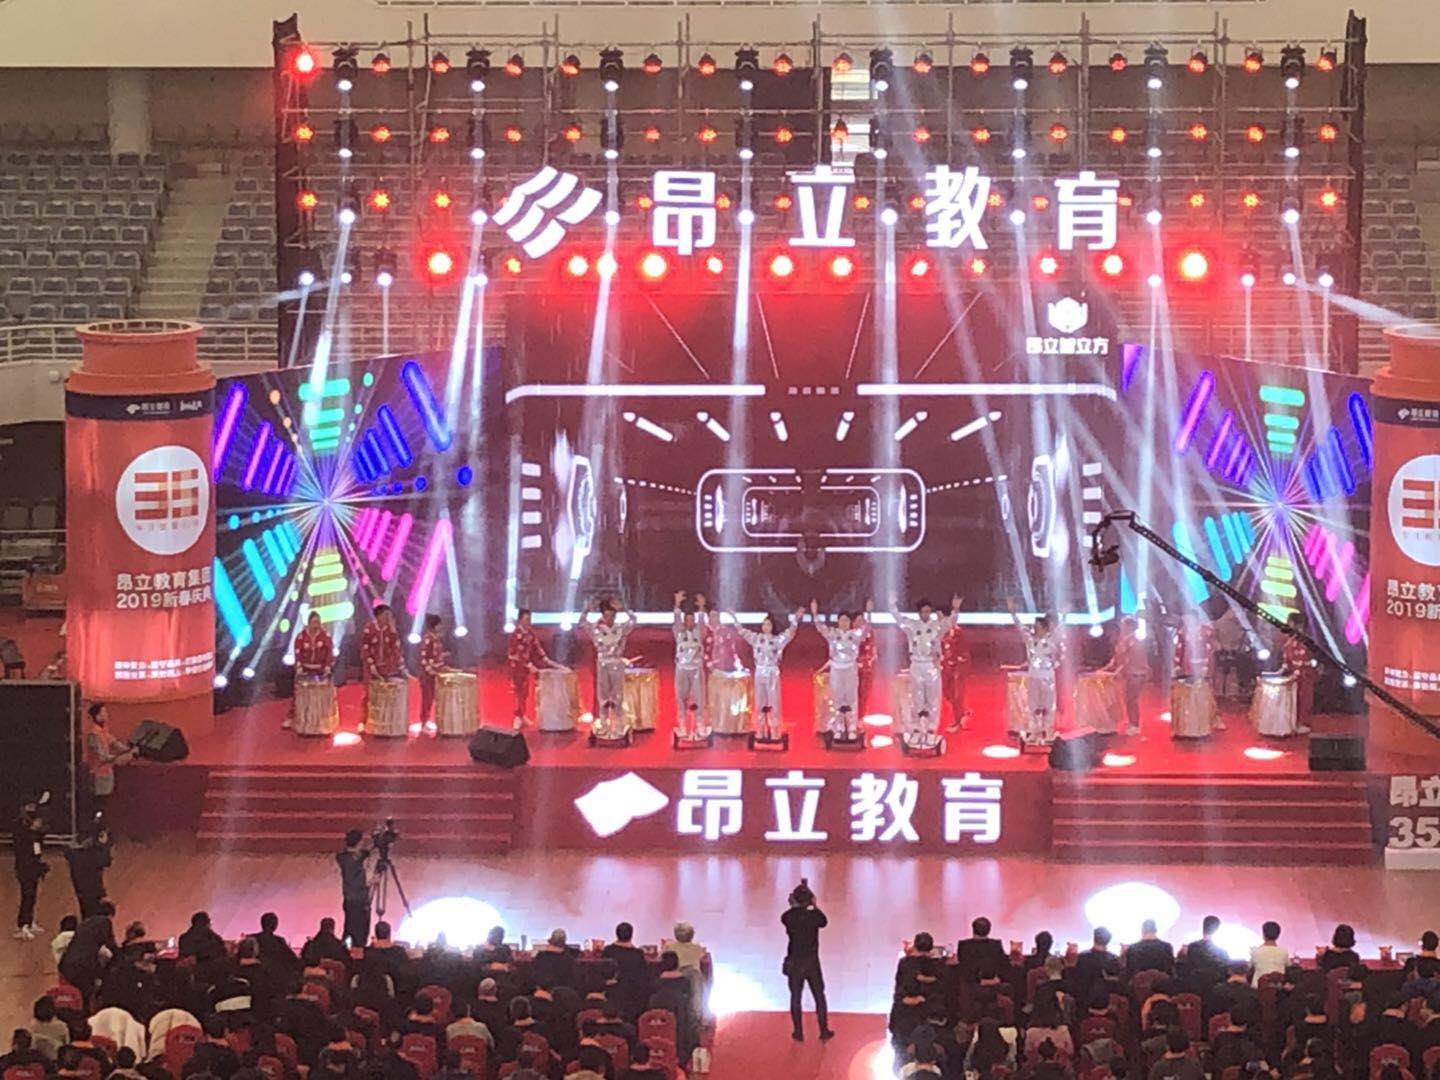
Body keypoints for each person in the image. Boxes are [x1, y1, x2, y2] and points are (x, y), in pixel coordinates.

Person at [890, 595, 961, 745]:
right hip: (916, 665)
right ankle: (917, 729)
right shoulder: (912, 625)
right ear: (918, 612)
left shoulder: (937, 626)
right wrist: (892, 605)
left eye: (928, 611)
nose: (925, 614)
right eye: (923, 611)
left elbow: (951, 622)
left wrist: (955, 609)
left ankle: (931, 729)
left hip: (931, 666)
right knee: (917, 698)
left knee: (933, 699)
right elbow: (898, 619)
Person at [731, 608, 802, 739]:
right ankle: (760, 729)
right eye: (764, 624)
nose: (766, 627)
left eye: (768, 624)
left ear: (772, 626)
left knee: (774, 701)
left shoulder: (778, 640)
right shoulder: (756, 639)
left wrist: (796, 619)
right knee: (760, 701)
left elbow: (790, 633)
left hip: (772, 671)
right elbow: (743, 632)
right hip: (760, 671)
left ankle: (775, 730)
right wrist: (734, 618)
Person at [811, 599, 872, 739]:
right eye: (842, 620)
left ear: (850, 623)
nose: (844, 623)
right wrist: (815, 614)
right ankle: (838, 727)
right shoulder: (833, 634)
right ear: (838, 622)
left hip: (850, 668)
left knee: (851, 698)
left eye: (846, 620)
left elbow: (867, 628)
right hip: (836, 669)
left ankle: (851, 728)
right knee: (837, 697)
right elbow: (820, 627)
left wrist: (869, 612)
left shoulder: (855, 635)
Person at [781, 879, 833, 1042]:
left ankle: (798, 1032)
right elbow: (823, 921)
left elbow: (787, 915)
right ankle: (823, 1030)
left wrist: (796, 905)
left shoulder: (788, 917)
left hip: (795, 961)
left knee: (795, 997)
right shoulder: (813, 915)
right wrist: (813, 905)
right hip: (812, 962)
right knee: (819, 996)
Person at [1008, 601, 1061, 743]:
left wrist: (1065, 615)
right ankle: (1034, 732)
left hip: (1048, 678)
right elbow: (1020, 627)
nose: (1035, 628)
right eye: (1034, 626)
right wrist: (1013, 612)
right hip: (1033, 677)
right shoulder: (1030, 640)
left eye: (1038, 626)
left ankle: (1048, 732)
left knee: (1049, 706)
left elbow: (1060, 629)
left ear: (1045, 628)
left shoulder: (1051, 640)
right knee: (1033, 706)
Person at [580, 598, 635, 720]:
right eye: (607, 616)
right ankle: (604, 723)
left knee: (618, 696)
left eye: (612, 616)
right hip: (603, 663)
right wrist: (586, 610)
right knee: (603, 697)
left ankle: (619, 723)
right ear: (603, 616)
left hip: (617, 663)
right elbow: (582, 622)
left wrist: (624, 609)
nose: (610, 619)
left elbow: (633, 620)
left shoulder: (620, 628)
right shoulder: (596, 629)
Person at [85, 704, 136, 818]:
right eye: (103, 712)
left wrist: (131, 750)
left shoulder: (103, 732)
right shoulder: (93, 734)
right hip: (97, 775)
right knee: (98, 805)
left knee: (105, 804)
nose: (106, 715)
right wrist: (121, 757)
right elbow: (102, 757)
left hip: (106, 773)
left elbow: (115, 743)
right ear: (97, 716)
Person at [359, 604, 405, 725]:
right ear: (378, 616)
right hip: (371, 667)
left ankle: (383, 722)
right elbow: (365, 648)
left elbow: (396, 648)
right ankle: (363, 721)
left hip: (387, 667)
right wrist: (371, 664)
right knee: (369, 694)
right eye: (386, 615)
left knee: (387, 693)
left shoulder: (391, 630)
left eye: (389, 615)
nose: (388, 618)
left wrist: (400, 664)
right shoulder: (369, 628)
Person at [289, 612, 335, 730]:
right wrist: (299, 667)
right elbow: (297, 654)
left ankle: (322, 720)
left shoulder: (326, 636)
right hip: (306, 670)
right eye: (314, 622)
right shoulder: (301, 637)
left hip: (320, 670)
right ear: (309, 623)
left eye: (318, 622)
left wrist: (327, 667)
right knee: (299, 691)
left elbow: (329, 654)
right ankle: (295, 717)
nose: (316, 625)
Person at [672, 591, 708, 738]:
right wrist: (677, 604)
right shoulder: (679, 633)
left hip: (696, 669)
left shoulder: (699, 632)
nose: (690, 623)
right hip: (682, 669)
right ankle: (682, 725)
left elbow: (702, 622)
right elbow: (676, 620)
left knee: (699, 698)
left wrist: (702, 607)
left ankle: (700, 724)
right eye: (687, 620)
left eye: (692, 620)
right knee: (681, 698)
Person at [506, 610, 553, 726]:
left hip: (526, 668)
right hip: (516, 667)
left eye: (529, 619)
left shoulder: (530, 634)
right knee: (518, 691)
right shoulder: (515, 635)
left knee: (525, 692)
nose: (528, 622)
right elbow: (516, 654)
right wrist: (529, 665)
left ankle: (522, 715)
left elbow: (537, 647)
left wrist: (544, 658)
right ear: (520, 620)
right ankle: (517, 717)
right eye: (526, 619)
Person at [1107, 616, 1150, 736]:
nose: (1121, 628)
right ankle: (1132, 722)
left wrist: (1117, 671)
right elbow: (1117, 658)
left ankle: (1135, 725)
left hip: (1136, 673)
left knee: (1132, 700)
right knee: (1128, 699)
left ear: (1129, 627)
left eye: (1123, 625)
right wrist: (1108, 668)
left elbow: (1128, 659)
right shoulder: (1125, 640)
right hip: (1130, 674)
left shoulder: (1135, 641)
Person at [12, 795, 47, 940]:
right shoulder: (19, 827)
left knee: (32, 895)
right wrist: (32, 831)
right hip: (24, 868)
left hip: (34, 867)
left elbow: (38, 845)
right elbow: (23, 847)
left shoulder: (34, 831)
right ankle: (22, 926)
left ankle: (29, 921)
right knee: (26, 896)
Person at [64, 819, 111, 920]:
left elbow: (67, 854)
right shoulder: (91, 854)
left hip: (80, 890)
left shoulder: (73, 854)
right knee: (93, 915)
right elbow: (105, 862)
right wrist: (104, 845)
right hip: (93, 889)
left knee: (84, 912)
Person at [336, 830, 373, 948]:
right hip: (358, 901)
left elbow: (362, 855)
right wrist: (372, 881)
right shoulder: (351, 861)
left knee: (349, 929)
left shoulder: (343, 857)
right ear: (358, 842)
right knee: (359, 932)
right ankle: (355, 952)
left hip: (349, 900)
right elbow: (357, 884)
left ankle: (347, 951)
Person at [1282, 613, 1317, 734]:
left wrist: (1298, 670)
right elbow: (1287, 658)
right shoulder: (1290, 641)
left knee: (1304, 698)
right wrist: (1284, 669)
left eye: (1291, 624)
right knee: (1294, 698)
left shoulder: (1306, 641)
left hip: (1305, 674)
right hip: (1293, 674)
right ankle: (1294, 721)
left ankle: (1303, 723)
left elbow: (1307, 658)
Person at [941, 611, 972, 732]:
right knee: (947, 692)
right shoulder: (942, 632)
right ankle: (963, 712)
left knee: (957, 694)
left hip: (959, 666)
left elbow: (961, 652)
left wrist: (956, 661)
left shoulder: (957, 632)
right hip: (948, 667)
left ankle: (958, 721)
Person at [1179, 916, 1228, 992]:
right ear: (1217, 929)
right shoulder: (1222, 952)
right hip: (1214, 990)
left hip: (1192, 988)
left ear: (1203, 927)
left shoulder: (1191, 947)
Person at [417, 613, 447, 731]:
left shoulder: (436, 639)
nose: (441, 626)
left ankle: (427, 719)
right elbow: (423, 658)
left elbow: (436, 657)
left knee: (432, 697)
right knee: (427, 698)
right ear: (435, 625)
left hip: (434, 674)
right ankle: (424, 722)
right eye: (440, 624)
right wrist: (431, 671)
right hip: (427, 675)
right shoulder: (428, 639)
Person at [955, 916, 1008, 982]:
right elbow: (1003, 966)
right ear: (989, 930)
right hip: (994, 984)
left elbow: (964, 968)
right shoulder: (996, 945)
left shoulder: (964, 946)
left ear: (973, 929)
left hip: (971, 985)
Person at [1251, 921, 1288, 986]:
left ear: (1263, 934)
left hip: (1257, 988)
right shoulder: (1284, 952)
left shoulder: (1255, 952)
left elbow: (1250, 967)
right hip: (1278, 988)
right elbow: (1289, 966)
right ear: (1278, 935)